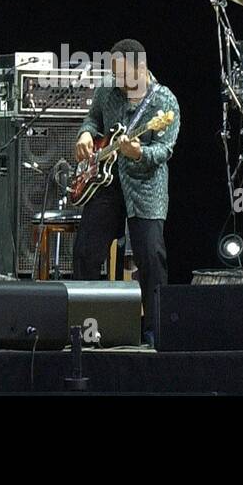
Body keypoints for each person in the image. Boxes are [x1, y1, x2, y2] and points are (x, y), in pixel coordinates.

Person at [72, 39, 180, 347]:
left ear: (141, 69)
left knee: (151, 259)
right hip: (106, 184)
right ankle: (87, 328)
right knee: (85, 251)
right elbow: (93, 118)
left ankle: (156, 333)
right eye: (115, 74)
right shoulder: (108, 90)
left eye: (123, 75)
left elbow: (164, 149)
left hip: (144, 187)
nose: (118, 81)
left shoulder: (164, 103)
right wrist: (85, 134)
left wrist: (138, 153)